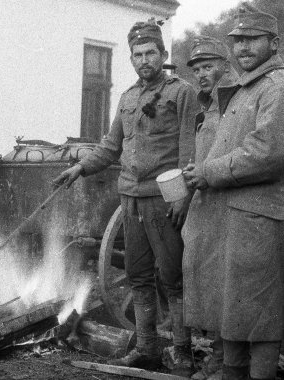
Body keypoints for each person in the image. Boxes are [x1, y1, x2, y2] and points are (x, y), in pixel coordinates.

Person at [53, 20, 198, 375]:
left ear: (163, 55)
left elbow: (188, 151)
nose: (144, 60)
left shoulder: (182, 93)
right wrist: (80, 169)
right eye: (138, 55)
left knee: (172, 277)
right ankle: (146, 349)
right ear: (131, 59)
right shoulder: (128, 97)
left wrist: (181, 197)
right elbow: (110, 146)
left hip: (163, 200)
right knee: (138, 275)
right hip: (129, 199)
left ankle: (182, 352)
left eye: (151, 53)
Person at [183, 5, 284, 379]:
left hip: (260, 219)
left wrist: (208, 171)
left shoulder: (275, 87)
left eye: (252, 40)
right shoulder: (246, 89)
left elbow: (267, 154)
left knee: (260, 318)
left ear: (274, 43)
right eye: (237, 41)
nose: (243, 48)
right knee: (236, 312)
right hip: (237, 217)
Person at [181, 35, 238, 380]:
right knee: (205, 278)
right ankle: (218, 357)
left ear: (224, 66)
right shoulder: (208, 106)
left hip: (229, 203)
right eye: (198, 68)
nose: (203, 73)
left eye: (209, 66)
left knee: (227, 283)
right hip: (205, 202)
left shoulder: (237, 101)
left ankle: (226, 361)